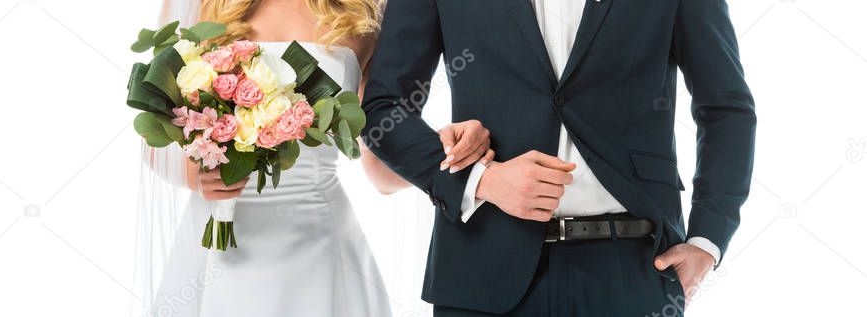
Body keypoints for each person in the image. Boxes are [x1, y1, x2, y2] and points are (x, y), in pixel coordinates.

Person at [361, 0, 756, 316]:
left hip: (632, 267)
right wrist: (481, 180)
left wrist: (708, 239)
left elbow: (725, 107)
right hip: (482, 269)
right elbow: (383, 108)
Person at [134, 0, 494, 316]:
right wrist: (194, 176)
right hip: (215, 245)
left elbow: (379, 170)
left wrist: (444, 150)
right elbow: (155, 136)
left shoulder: (364, 13)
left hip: (318, 246)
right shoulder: (200, 5)